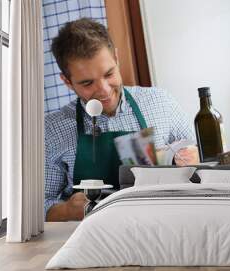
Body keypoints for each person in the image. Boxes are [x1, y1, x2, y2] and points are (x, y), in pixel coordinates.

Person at [45, 18, 198, 221]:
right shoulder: (52, 130)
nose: (104, 91)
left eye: (109, 74)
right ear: (67, 82)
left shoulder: (161, 102)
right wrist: (67, 211)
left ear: (116, 58)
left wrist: (195, 160)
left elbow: (203, 163)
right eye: (88, 83)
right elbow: (38, 207)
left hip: (164, 226)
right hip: (95, 240)